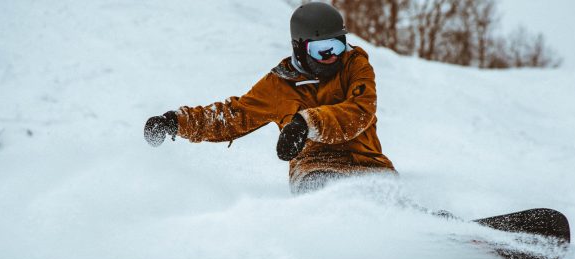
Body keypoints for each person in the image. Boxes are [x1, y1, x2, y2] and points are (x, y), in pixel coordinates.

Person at [143, 2, 396, 194]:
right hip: (315, 169)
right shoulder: (280, 85)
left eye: (338, 45)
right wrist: (176, 122)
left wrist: (306, 124)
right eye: (321, 50)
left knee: (389, 199)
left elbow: (360, 111)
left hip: (369, 164)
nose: (332, 56)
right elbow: (234, 116)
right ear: (299, 48)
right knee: (332, 197)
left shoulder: (355, 65)